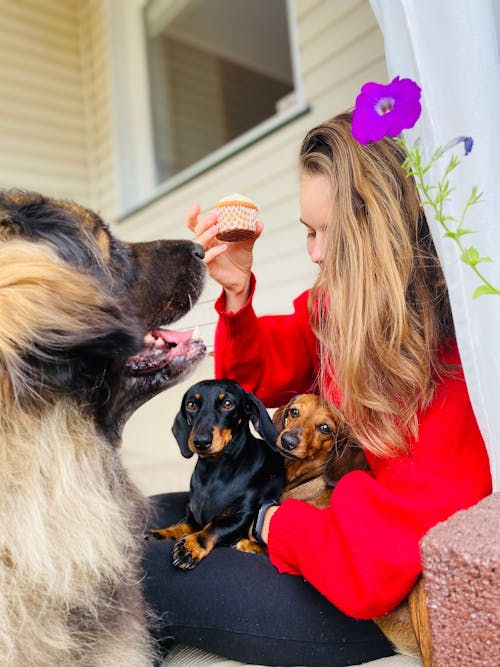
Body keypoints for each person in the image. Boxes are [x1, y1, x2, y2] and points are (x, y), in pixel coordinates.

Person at [143, 112, 492, 667]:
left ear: (384, 234)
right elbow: (260, 381)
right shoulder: (340, 310)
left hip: (380, 598)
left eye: (333, 234)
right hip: (330, 538)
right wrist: (236, 294)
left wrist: (272, 522)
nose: (315, 253)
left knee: (137, 568)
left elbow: (381, 561)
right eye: (309, 230)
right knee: (144, 515)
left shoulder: (440, 358)